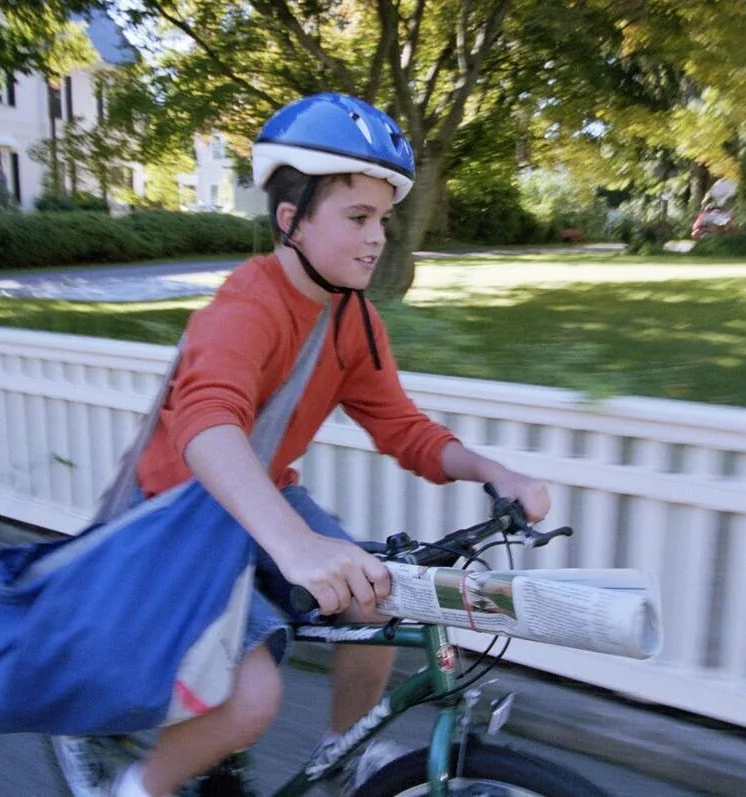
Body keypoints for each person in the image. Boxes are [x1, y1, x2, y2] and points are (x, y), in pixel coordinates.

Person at [97, 93, 550, 797]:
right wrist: (297, 545)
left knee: (378, 595)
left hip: (266, 493)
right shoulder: (245, 308)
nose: (378, 237)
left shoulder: (351, 316)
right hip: (179, 512)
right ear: (291, 220)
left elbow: (404, 428)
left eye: (383, 219)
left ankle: (347, 753)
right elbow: (207, 428)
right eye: (357, 217)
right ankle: (136, 787)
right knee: (249, 701)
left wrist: (495, 471)